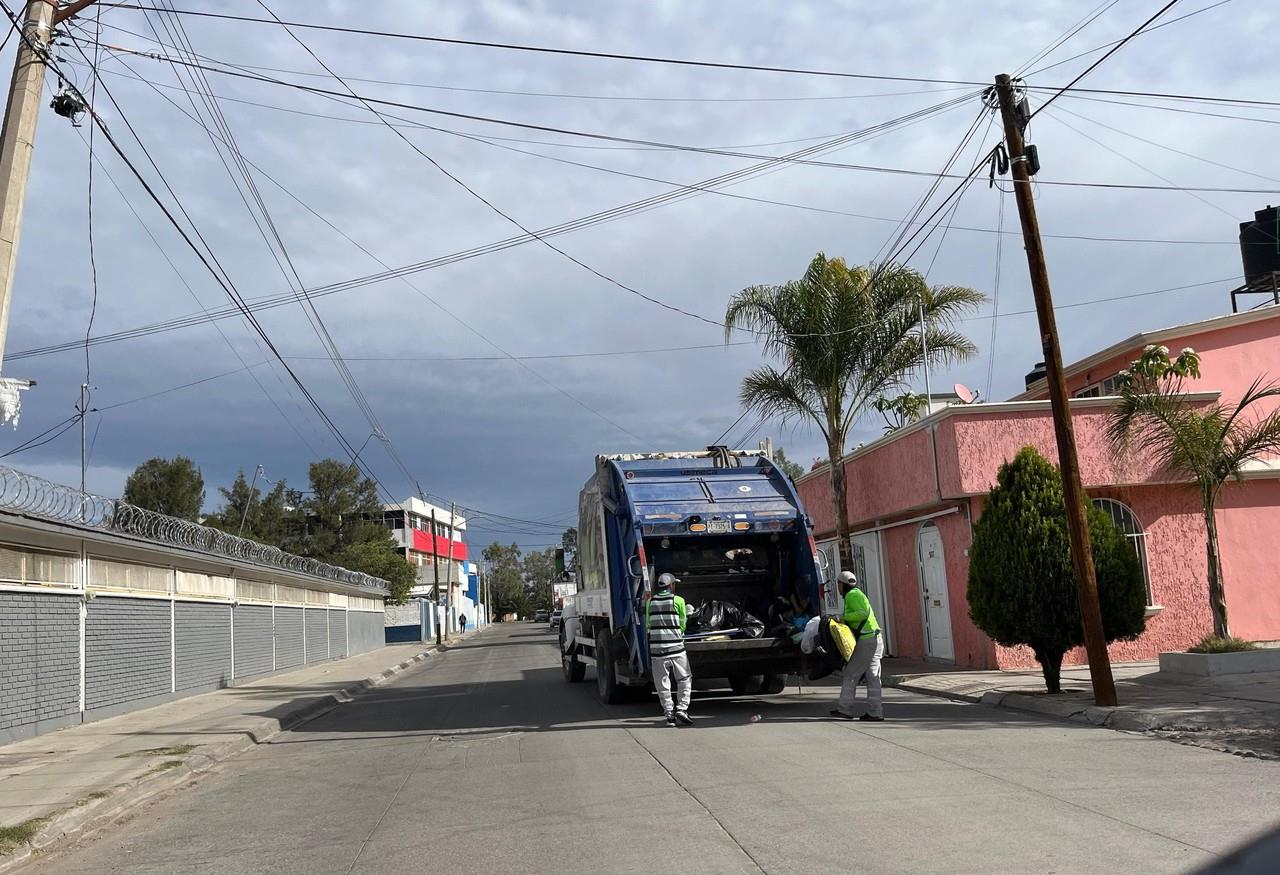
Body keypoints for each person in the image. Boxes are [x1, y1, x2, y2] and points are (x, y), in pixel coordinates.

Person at [831, 570, 884, 721]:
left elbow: (862, 613)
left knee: (850, 674)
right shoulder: (857, 593)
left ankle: (845, 709)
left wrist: (843, 617)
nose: (839, 588)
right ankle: (876, 712)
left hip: (867, 640)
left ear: (842, 584)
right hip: (875, 637)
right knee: (873, 677)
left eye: (839, 584)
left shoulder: (852, 595)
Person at [647, 572, 693, 726]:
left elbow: (648, 625)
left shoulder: (650, 602)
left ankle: (669, 715)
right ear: (671, 585)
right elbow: (682, 624)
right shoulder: (678, 600)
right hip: (676, 648)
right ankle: (682, 709)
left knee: (662, 683)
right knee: (684, 678)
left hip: (657, 650)